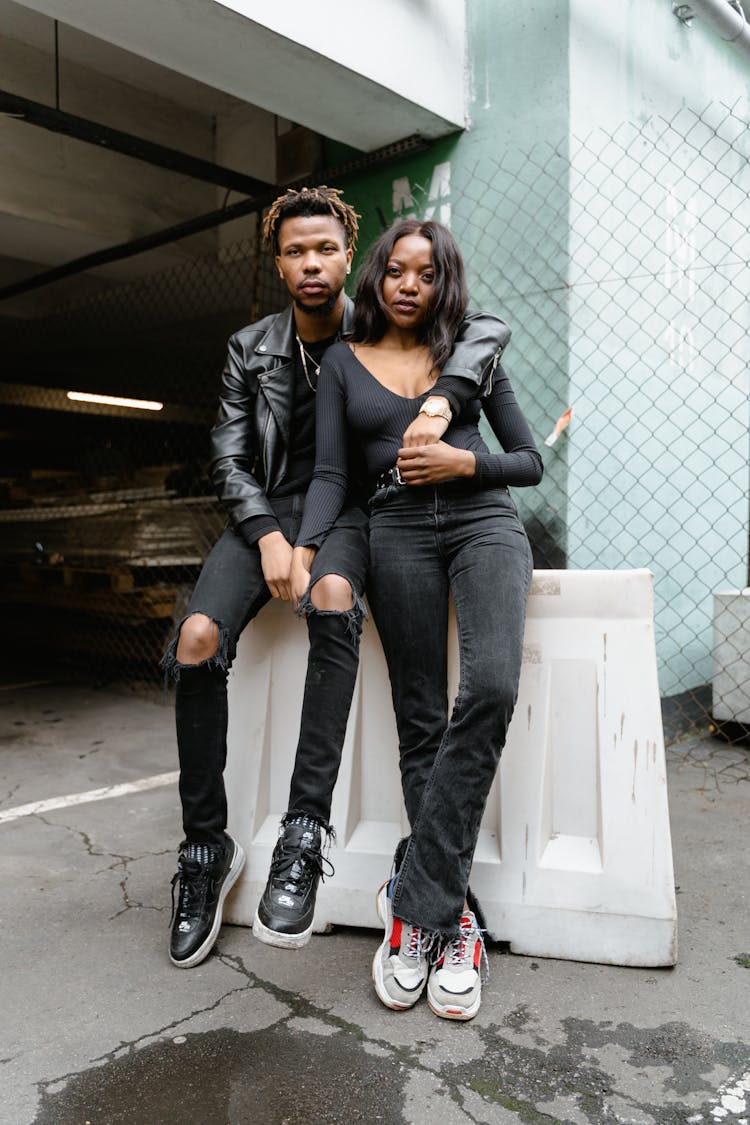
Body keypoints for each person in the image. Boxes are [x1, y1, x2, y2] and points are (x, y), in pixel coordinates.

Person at [162, 188, 513, 968]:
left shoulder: (381, 328)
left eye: (324, 249)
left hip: (351, 512)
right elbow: (227, 457)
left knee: (331, 594)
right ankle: (202, 850)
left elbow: (482, 328)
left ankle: (302, 834)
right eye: (294, 251)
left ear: (351, 255)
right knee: (194, 637)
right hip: (263, 516)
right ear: (278, 261)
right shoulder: (249, 346)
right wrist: (269, 537)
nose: (310, 263)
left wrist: (314, 543)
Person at [291, 219, 543, 1019]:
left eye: (425, 275)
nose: (408, 285)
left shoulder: (469, 354)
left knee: (493, 684)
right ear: (375, 278)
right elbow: (332, 473)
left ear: (443, 283)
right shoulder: (341, 361)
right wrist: (304, 547)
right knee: (420, 720)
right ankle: (453, 921)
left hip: (482, 521)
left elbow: (530, 460)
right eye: (396, 271)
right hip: (395, 530)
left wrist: (464, 460)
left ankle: (414, 908)